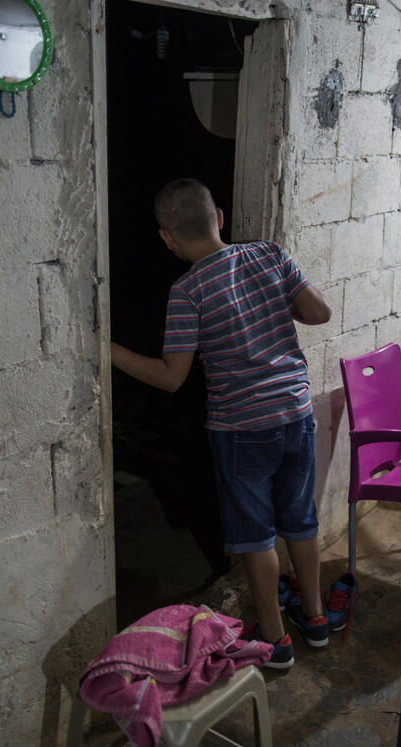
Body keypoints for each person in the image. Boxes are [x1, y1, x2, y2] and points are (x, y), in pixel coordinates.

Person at [110, 178, 332, 668]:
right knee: (300, 519)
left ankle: (275, 640)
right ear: (220, 219)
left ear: (167, 238)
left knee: (256, 536)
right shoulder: (269, 254)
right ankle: (315, 619)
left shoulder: (187, 291)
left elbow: (171, 377)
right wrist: (276, 295)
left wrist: (110, 351)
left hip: (240, 428)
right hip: (294, 412)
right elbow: (319, 312)